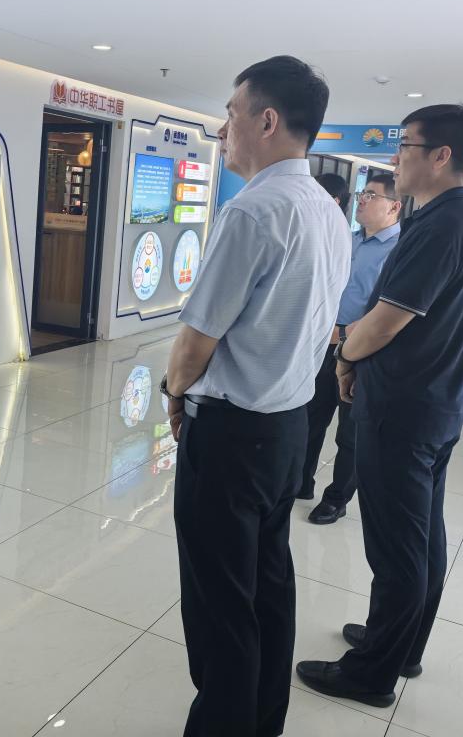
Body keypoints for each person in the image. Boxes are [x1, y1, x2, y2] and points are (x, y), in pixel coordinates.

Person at [162, 55, 350, 737]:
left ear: (267, 120)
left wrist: (173, 393)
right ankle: (264, 719)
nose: (223, 130)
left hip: (231, 436)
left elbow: (195, 342)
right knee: (269, 583)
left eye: (231, 114)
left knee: (219, 602)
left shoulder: (252, 211)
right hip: (288, 428)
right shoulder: (328, 211)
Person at [296, 104, 463, 707]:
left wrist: (345, 355)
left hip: (403, 409)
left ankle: (370, 673)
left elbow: (385, 321)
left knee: (397, 548)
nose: (395, 156)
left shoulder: (439, 226)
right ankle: (401, 644)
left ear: (441, 155)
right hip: (435, 405)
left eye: (405, 144)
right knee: (421, 537)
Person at [299, 173, 402, 524]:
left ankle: (337, 498)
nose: (362, 201)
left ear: (394, 206)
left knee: (351, 432)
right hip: (323, 343)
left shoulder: (399, 251)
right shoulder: (347, 238)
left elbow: (386, 313)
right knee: (310, 416)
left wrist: (343, 334)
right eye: (362, 194)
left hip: (363, 351)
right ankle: (300, 481)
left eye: (371, 196)